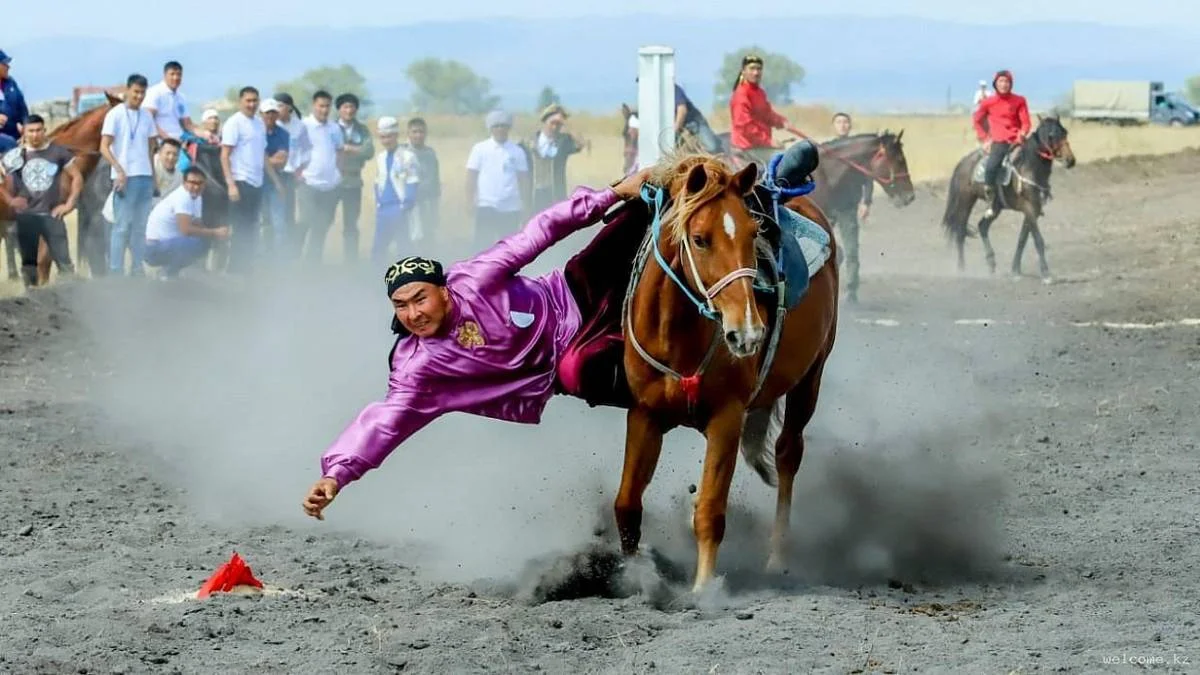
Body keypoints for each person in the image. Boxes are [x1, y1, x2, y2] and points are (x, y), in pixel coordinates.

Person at [300, 168, 653, 519]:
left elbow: (541, 230)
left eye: (420, 298)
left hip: (572, 293)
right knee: (585, 373)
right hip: (564, 361)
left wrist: (616, 193)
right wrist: (336, 475)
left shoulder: (474, 277)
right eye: (401, 305)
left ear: (443, 289)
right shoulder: (417, 367)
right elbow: (384, 423)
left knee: (641, 213)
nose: (413, 314)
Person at [0, 114, 82, 288]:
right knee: (29, 266)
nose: (35, 135)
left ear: (44, 131)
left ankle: (72, 301)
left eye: (39, 130)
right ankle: (32, 304)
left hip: (52, 215)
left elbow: (77, 176)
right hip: (27, 218)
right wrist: (11, 201)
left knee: (65, 263)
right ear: (24, 132)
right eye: (31, 131)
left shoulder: (58, 152)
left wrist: (69, 204)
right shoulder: (15, 156)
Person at [100, 73, 158, 277]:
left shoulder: (147, 116)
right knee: (122, 226)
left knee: (140, 227)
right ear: (127, 90)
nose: (139, 96)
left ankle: (137, 268)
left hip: (144, 177)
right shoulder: (114, 114)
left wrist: (154, 178)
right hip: (124, 178)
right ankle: (116, 270)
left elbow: (150, 149)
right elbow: (104, 147)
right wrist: (119, 170)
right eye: (136, 92)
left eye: (143, 92)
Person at [143, 167, 230, 278]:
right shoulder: (183, 197)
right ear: (184, 183)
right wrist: (215, 232)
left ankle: (172, 271)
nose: (196, 186)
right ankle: (167, 273)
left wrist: (218, 235)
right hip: (154, 248)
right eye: (192, 182)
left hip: (169, 244)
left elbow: (198, 225)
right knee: (194, 243)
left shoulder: (197, 197)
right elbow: (186, 230)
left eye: (200, 183)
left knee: (204, 242)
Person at [826, 112, 873, 304]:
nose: (843, 125)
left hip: (848, 206)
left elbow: (868, 178)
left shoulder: (858, 152)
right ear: (834, 126)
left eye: (846, 122)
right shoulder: (828, 149)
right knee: (820, 246)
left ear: (850, 126)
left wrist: (866, 202)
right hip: (827, 206)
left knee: (852, 249)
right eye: (839, 122)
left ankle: (852, 290)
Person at [466, 109, 529, 253]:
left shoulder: (517, 151)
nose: (500, 129)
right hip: (486, 204)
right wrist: (470, 201)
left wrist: (525, 204)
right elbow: (471, 176)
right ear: (491, 128)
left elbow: (524, 179)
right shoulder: (480, 149)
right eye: (497, 126)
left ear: (508, 128)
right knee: (482, 245)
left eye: (503, 125)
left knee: (509, 247)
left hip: (510, 206)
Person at [219, 86, 267, 273]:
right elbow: (224, 155)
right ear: (240, 102)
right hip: (240, 181)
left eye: (255, 100)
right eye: (248, 100)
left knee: (251, 227)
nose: (252, 104)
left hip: (257, 182)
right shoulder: (234, 123)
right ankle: (233, 269)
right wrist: (231, 184)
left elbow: (261, 153)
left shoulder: (259, 124)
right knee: (239, 228)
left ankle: (245, 267)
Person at [972, 69, 1031, 219]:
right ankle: (991, 202)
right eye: (1001, 81)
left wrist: (1023, 133)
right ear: (995, 84)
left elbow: (1026, 122)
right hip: (999, 142)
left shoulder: (1020, 100)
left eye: (1007, 82)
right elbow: (977, 120)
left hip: (1017, 141)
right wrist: (985, 139)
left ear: (1011, 84)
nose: (1004, 84)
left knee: (1037, 161)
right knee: (991, 167)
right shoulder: (988, 102)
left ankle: (1039, 195)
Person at [296, 90, 345, 264]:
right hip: (309, 183)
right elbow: (294, 151)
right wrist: (297, 173)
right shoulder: (303, 126)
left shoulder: (334, 127)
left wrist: (339, 172)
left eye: (327, 106)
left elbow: (339, 151)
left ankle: (313, 263)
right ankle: (293, 258)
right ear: (313, 105)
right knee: (306, 220)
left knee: (322, 226)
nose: (324, 110)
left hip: (331, 185)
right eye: (321, 106)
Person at [370, 116, 419, 265]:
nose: (386, 140)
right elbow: (378, 182)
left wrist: (405, 205)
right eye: (382, 137)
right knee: (378, 250)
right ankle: (376, 279)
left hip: (400, 209)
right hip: (383, 210)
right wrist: (378, 202)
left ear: (396, 135)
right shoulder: (381, 157)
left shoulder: (407, 156)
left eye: (389, 136)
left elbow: (412, 181)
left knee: (403, 250)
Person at [729, 54, 790, 167]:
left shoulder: (759, 92)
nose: (756, 72)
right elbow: (744, 127)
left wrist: (781, 121)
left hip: (760, 145)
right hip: (747, 148)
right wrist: (768, 141)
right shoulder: (741, 95)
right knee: (784, 160)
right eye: (752, 69)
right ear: (743, 71)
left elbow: (767, 114)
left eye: (759, 69)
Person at [527, 103, 582, 211]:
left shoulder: (564, 141)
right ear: (544, 122)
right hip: (534, 193)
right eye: (552, 123)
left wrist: (568, 126)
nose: (555, 127)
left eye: (559, 124)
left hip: (556, 192)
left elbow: (580, 145)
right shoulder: (530, 141)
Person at [0, 49, 28, 145]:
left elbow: (23, 109)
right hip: (5, 139)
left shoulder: (11, 83)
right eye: (4, 64)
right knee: (10, 144)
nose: (8, 67)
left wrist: (26, 127)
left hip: (17, 135)